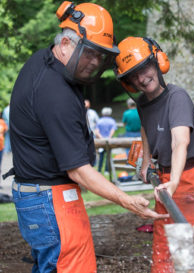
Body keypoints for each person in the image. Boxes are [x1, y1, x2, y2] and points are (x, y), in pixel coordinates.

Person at [6, 3, 167, 273]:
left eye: (101, 56)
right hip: (51, 199)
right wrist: (127, 201)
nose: (94, 63)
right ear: (67, 42)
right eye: (90, 53)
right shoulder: (55, 92)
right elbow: (79, 171)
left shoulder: (44, 61)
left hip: (35, 194)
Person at [114, 36, 194, 272]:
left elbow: (179, 143)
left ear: (158, 61)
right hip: (165, 181)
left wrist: (174, 181)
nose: (142, 78)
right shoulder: (142, 104)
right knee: (164, 250)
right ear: (128, 82)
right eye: (134, 75)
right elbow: (145, 126)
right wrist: (146, 160)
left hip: (193, 180)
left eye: (145, 68)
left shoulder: (177, 97)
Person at [95, 107, 117, 174]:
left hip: (101, 141)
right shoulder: (112, 121)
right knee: (108, 156)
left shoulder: (99, 121)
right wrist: (109, 137)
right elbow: (112, 131)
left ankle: (99, 170)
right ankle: (107, 170)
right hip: (109, 141)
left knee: (101, 156)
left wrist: (101, 138)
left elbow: (96, 131)